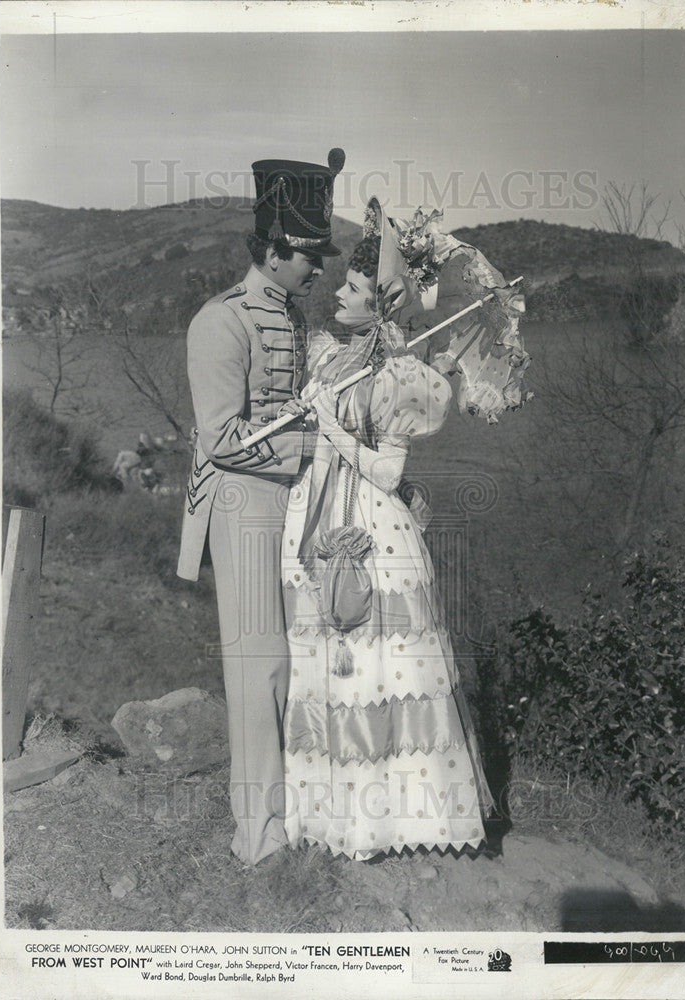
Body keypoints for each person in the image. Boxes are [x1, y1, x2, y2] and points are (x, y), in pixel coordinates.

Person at [281, 199, 495, 861]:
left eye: (350, 287)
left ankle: (395, 820)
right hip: (326, 519)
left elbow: (382, 473)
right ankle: (334, 814)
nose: (337, 292)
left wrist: (332, 428)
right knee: (333, 670)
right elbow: (318, 438)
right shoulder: (337, 363)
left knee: (381, 671)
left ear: (375, 306)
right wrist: (305, 416)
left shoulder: (401, 376)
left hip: (375, 533)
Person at [176, 150, 345, 866]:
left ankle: (297, 815)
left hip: (291, 500)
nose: (316, 270)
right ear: (273, 252)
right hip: (243, 503)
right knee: (260, 667)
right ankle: (258, 839)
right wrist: (307, 449)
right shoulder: (220, 322)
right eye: (306, 257)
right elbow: (220, 440)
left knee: (301, 658)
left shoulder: (292, 314)